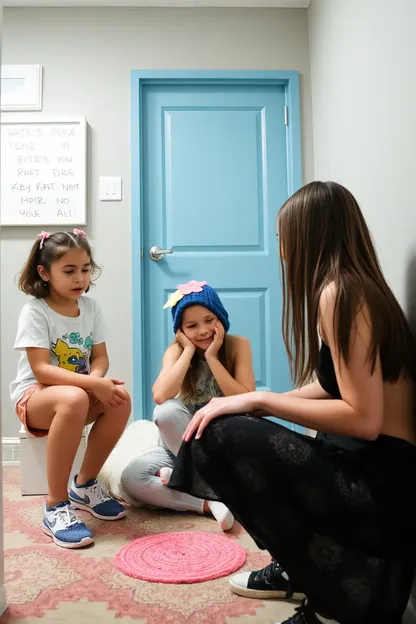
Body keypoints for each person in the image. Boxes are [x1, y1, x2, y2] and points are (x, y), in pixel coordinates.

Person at [168, 183, 416, 624]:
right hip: (374, 468)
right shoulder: (354, 288)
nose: (281, 248)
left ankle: (319, 588)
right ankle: (308, 571)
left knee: (216, 435)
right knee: (227, 417)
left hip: (382, 484)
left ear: (308, 235)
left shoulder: (341, 294)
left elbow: (364, 419)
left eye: (284, 237)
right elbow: (332, 386)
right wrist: (256, 403)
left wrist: (259, 400)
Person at [10, 229, 131, 549]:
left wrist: (100, 382)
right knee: (75, 395)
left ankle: (85, 485)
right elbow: (41, 370)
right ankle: (55, 505)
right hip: (34, 395)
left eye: (86, 269)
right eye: (69, 270)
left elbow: (100, 357)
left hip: (74, 394)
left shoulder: (90, 307)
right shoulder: (36, 310)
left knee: (120, 399)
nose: (80, 277)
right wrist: (92, 383)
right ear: (44, 272)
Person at [121, 280, 255, 530]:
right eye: (191, 326)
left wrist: (213, 358)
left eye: (209, 320)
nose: (203, 331)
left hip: (219, 447)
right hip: (177, 447)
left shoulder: (238, 346)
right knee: (132, 476)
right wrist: (187, 352)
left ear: (221, 318)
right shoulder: (176, 352)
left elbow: (245, 400)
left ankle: (187, 480)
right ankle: (210, 502)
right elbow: (160, 395)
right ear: (180, 331)